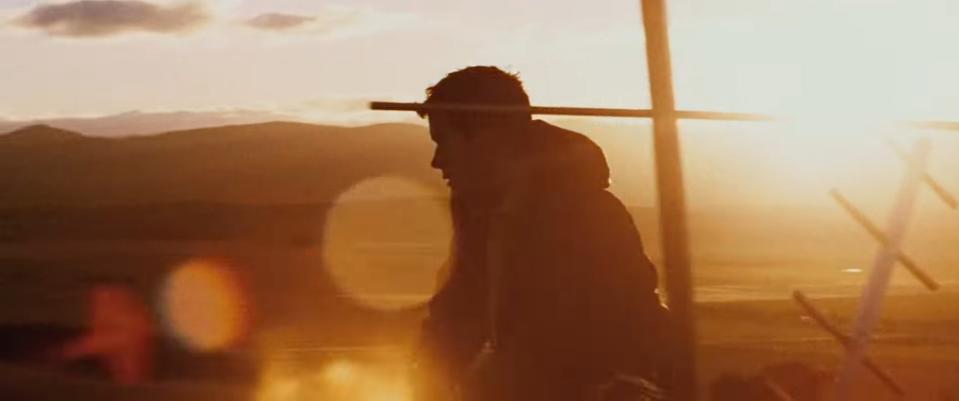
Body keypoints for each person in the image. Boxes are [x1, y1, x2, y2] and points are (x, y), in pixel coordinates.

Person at [411, 66, 671, 401]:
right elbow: (456, 312)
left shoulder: (586, 217)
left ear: (488, 138)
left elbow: (590, 346)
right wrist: (428, 378)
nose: (437, 161)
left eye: (445, 142)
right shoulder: (481, 215)